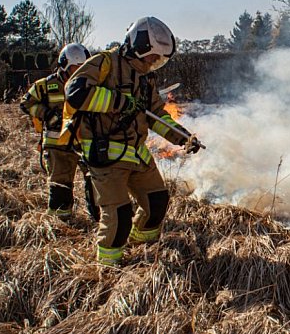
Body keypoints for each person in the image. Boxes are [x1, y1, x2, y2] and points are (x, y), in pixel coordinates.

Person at [63, 16, 201, 266]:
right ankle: (108, 268)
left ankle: (143, 251)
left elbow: (156, 116)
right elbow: (75, 93)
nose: (153, 63)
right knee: (119, 215)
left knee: (157, 201)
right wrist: (119, 102)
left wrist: (183, 137)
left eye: (158, 60)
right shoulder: (104, 63)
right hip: (105, 153)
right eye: (152, 57)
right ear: (138, 46)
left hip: (136, 153)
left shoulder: (146, 79)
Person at [20, 43, 99, 221]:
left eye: (83, 67)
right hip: (58, 146)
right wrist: (47, 114)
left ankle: (100, 219)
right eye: (75, 67)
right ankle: (61, 221)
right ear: (63, 65)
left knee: (96, 180)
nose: (79, 71)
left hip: (84, 142)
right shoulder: (46, 86)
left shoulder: (89, 85)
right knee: (60, 185)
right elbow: (26, 103)